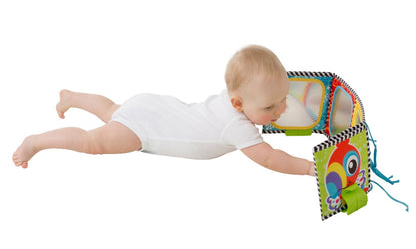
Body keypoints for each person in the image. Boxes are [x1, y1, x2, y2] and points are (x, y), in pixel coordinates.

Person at [13, 45, 315, 176]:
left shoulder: (235, 96)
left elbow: (260, 95)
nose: (281, 109)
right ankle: (37, 142)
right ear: (239, 104)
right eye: (270, 106)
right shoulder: (238, 127)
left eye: (283, 99)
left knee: (113, 111)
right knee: (94, 142)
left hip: (153, 108)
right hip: (147, 130)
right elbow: (270, 158)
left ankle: (71, 97)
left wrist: (269, 106)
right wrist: (307, 168)